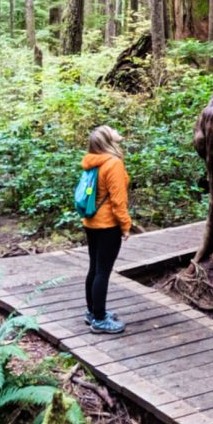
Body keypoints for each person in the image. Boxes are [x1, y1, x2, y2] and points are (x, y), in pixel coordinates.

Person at [82, 125, 131, 334]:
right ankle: (100, 320)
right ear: (107, 140)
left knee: (94, 268)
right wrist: (126, 225)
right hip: (108, 225)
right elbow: (118, 201)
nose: (115, 130)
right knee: (102, 271)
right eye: (111, 130)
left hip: (91, 222)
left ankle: (93, 312)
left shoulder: (92, 161)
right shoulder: (113, 164)